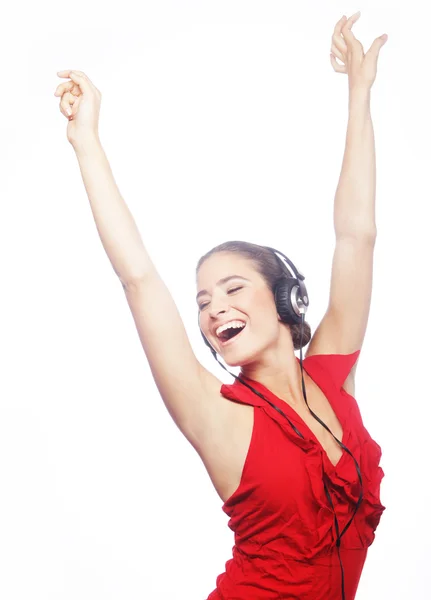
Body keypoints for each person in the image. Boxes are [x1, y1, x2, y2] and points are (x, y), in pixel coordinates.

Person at [54, 11, 387, 600]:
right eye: (204, 300)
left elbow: (355, 236)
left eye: (234, 288)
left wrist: (359, 92)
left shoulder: (334, 377)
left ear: (287, 298)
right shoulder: (218, 413)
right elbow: (139, 279)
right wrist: (87, 144)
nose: (213, 309)